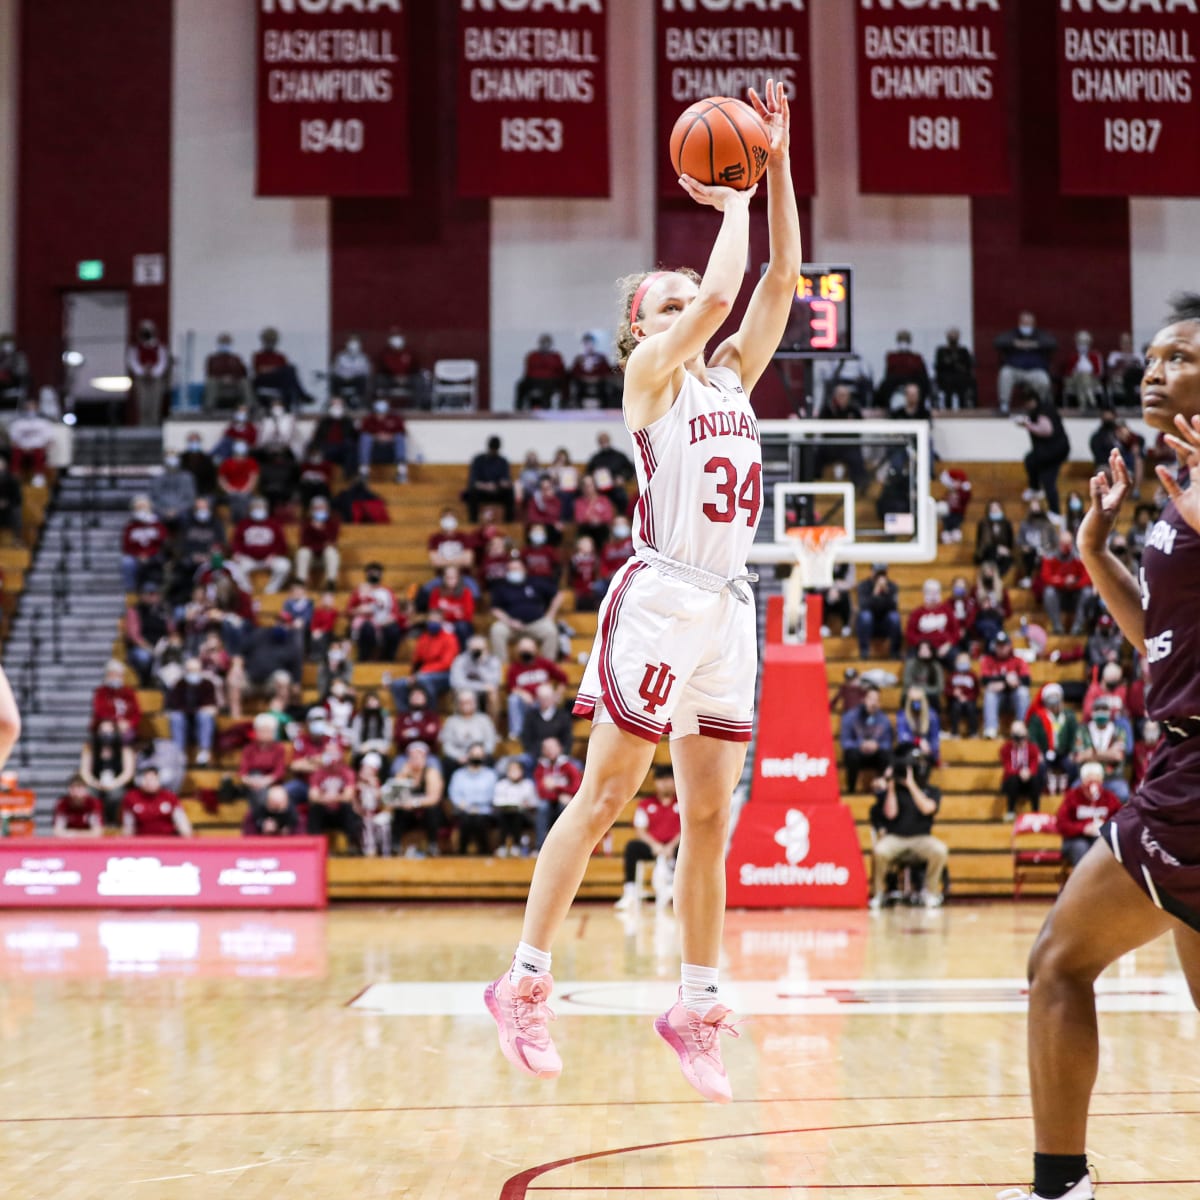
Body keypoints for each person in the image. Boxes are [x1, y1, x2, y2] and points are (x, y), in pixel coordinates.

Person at [486, 79, 802, 1101]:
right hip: (659, 597)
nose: (685, 306)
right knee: (608, 795)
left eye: (680, 295)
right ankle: (525, 982)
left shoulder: (730, 380)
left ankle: (694, 1003)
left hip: (726, 606)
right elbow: (718, 296)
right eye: (659, 303)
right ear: (638, 332)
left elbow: (781, 284)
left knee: (711, 817)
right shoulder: (654, 380)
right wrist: (733, 200)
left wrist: (778, 163)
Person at [1009, 294, 1200, 1200]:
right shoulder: (1181, 487)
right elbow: (1159, 634)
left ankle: (1058, 1190)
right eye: (1151, 359)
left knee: (1059, 961)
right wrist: (1095, 547)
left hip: (1196, 778)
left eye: (1179, 358)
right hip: (1181, 756)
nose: (1154, 371)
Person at [867, 747, 948, 910]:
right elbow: (890, 814)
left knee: (940, 849)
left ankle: (930, 893)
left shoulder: (931, 791)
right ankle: (878, 894)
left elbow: (927, 808)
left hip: (921, 839)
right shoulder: (895, 789)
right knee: (879, 851)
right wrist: (891, 787)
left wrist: (911, 785)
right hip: (896, 838)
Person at [615, 764, 682, 911]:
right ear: (655, 782)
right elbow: (640, 830)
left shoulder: (683, 803)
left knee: (686, 848)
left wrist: (670, 846)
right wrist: (655, 846)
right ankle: (630, 892)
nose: (664, 783)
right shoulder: (646, 804)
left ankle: (680, 891)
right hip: (654, 847)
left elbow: (686, 829)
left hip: (675, 847)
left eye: (668, 779)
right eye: (661, 780)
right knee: (632, 847)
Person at [488, 558, 563, 663]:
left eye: (517, 568)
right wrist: (509, 622)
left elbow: (558, 595)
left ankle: (547, 665)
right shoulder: (501, 587)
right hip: (511, 625)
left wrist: (550, 615)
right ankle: (502, 666)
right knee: (496, 630)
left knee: (551, 630)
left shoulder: (536, 582)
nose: (514, 571)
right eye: (511, 569)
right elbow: (495, 609)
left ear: (524, 569)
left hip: (536, 623)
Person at [1056, 762, 1122, 872]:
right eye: (1089, 781)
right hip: (1074, 839)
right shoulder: (1072, 797)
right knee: (1080, 847)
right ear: (1082, 781)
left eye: (1096, 780)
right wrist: (1083, 828)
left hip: (1100, 837)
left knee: (1102, 846)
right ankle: (1083, 884)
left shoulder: (1110, 798)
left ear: (1101, 781)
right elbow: (1061, 823)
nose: (1092, 785)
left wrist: (1103, 827)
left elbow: (1120, 822)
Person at [1016, 391, 1072, 516]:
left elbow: (1046, 430)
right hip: (1045, 453)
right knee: (1031, 461)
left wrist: (1028, 425)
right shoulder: (1038, 411)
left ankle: (1054, 511)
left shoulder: (1043, 411)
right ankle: (1035, 489)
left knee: (1048, 480)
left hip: (1053, 453)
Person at [389, 740, 445, 856]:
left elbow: (434, 798)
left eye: (418, 757)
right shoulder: (404, 772)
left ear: (425, 758)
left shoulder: (431, 773)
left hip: (425, 813)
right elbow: (394, 798)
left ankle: (432, 844)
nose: (415, 760)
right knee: (399, 810)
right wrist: (402, 775)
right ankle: (395, 844)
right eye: (412, 757)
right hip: (408, 814)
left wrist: (415, 802)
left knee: (432, 810)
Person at [995, 310, 1056, 415]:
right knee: (1005, 373)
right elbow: (998, 341)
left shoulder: (1039, 334)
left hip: (1035, 370)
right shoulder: (1013, 333)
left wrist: (1034, 344)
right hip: (1015, 370)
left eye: (1029, 323)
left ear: (1033, 324)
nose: (1026, 326)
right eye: (1024, 323)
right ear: (1019, 323)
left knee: (1044, 380)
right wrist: (1015, 343)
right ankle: (1004, 405)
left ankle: (1042, 406)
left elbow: (1052, 343)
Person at [1036, 530, 1095, 636]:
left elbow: (1088, 578)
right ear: (1059, 544)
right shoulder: (1050, 557)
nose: (1067, 548)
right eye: (1064, 544)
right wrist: (1063, 581)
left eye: (1069, 544)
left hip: (1075, 594)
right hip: (1059, 595)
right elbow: (1046, 578)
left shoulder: (1079, 557)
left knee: (1088, 592)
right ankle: (1057, 626)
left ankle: (1077, 627)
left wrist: (1075, 583)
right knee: (1049, 592)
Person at [840, 685, 893, 793]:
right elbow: (845, 742)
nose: (873, 703)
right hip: (858, 754)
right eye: (870, 699)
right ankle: (851, 790)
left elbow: (888, 742)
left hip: (875, 755)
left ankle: (883, 790)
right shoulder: (850, 716)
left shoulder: (884, 719)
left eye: (876, 700)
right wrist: (860, 744)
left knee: (887, 755)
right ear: (863, 699)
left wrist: (877, 745)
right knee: (851, 755)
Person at [166, 658, 218, 766]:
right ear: (185, 671)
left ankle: (204, 752)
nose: (193, 673)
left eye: (196, 670)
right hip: (184, 721)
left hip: (200, 721)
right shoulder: (180, 684)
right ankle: (179, 753)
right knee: (176, 717)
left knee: (205, 716)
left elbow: (212, 707)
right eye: (190, 670)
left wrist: (199, 710)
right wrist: (196, 709)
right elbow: (174, 706)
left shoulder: (207, 684)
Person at [346, 563, 403, 663]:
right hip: (365, 623)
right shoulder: (359, 591)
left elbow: (395, 613)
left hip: (384, 623)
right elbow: (349, 611)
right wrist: (359, 611)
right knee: (366, 629)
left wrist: (386, 621)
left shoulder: (387, 591)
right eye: (371, 572)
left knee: (393, 630)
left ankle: (387, 660)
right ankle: (363, 660)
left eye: (377, 572)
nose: (374, 574)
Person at [231, 499, 291, 594]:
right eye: (256, 508)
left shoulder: (274, 524)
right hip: (249, 559)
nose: (258, 510)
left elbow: (282, 544)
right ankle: (247, 593)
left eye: (261, 508)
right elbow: (236, 542)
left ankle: (270, 591)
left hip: (269, 559)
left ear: (266, 509)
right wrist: (237, 553)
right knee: (236, 567)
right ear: (250, 510)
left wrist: (273, 554)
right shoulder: (243, 524)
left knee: (284, 565)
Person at [448, 745, 498, 854]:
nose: (476, 757)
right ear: (468, 756)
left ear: (484, 757)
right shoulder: (458, 774)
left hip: (485, 810)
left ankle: (484, 852)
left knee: (480, 820)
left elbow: (493, 794)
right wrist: (466, 806)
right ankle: (462, 852)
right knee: (466, 819)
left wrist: (477, 807)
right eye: (474, 755)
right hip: (463, 809)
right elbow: (454, 794)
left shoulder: (490, 775)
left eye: (479, 755)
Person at [979, 631, 1030, 738]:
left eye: (1004, 645)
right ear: (994, 646)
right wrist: (1007, 680)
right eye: (998, 645)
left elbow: (1026, 680)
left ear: (1009, 645)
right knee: (990, 693)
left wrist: (1004, 684)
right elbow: (984, 680)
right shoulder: (988, 660)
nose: (1001, 648)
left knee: (1023, 692)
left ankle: (1021, 726)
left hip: (1013, 696)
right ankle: (991, 729)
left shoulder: (1018, 660)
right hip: (998, 697)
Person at [121, 763, 192, 837]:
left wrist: (188, 841)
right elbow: (128, 826)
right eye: (146, 779)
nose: (150, 783)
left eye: (153, 779)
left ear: (159, 780)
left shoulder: (170, 797)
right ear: (139, 780)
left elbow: (182, 822)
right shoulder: (131, 798)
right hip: (142, 842)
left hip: (168, 841)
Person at [904, 580, 961, 666]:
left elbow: (956, 632)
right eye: (930, 592)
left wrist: (947, 645)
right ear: (924, 593)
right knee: (911, 659)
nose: (933, 595)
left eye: (936, 592)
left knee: (956, 657)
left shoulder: (947, 611)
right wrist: (921, 646)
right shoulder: (917, 613)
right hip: (922, 647)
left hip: (943, 646)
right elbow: (910, 634)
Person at [449, 633, 504, 722]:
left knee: (493, 694)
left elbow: (495, 682)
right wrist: (481, 687)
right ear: (468, 649)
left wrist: (480, 665)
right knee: (465, 694)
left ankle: (492, 728)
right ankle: (466, 726)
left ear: (486, 649)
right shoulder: (461, 660)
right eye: (473, 649)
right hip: (468, 690)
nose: (476, 652)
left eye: (479, 649)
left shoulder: (493, 660)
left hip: (484, 694)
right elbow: (456, 682)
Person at [252, 327, 310, 409]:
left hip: (279, 382)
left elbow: (285, 372)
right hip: (264, 381)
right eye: (268, 340)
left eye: (272, 340)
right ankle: (301, 394)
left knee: (289, 379)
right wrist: (277, 370)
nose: (270, 342)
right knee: (290, 370)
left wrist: (274, 370)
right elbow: (260, 371)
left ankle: (289, 406)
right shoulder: (258, 356)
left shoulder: (280, 357)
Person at [120, 495, 169, 593]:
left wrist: (148, 554)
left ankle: (158, 592)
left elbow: (163, 541)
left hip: (154, 555)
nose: (141, 509)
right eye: (138, 507)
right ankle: (131, 591)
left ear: (149, 507)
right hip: (136, 556)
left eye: (143, 507)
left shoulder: (157, 524)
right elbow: (126, 546)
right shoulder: (131, 526)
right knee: (126, 562)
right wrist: (139, 555)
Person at [492, 758, 539, 856]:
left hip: (523, 814)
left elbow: (534, 802)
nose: (514, 773)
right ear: (507, 772)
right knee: (504, 816)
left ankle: (516, 846)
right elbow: (496, 801)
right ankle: (502, 846)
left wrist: (527, 804)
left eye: (516, 770)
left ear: (522, 771)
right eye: (511, 770)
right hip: (505, 814)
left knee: (517, 815)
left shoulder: (528, 784)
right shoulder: (501, 784)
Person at [127, 319, 169, 426]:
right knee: (142, 402)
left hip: (156, 378)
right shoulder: (135, 348)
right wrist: (143, 371)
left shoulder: (160, 347)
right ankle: (143, 425)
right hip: (141, 378)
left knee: (155, 402)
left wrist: (153, 372)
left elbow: (163, 362)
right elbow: (133, 362)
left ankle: (154, 424)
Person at [874, 329, 930, 409]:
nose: (903, 343)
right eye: (901, 340)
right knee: (886, 384)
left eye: (905, 340)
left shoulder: (916, 357)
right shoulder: (892, 356)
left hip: (913, 378)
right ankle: (886, 407)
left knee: (924, 382)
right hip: (896, 379)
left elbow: (920, 370)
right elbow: (889, 371)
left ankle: (920, 408)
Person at [855, 564, 902, 659]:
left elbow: (893, 606)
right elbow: (863, 606)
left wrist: (886, 591)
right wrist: (875, 593)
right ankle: (864, 651)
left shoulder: (892, 586)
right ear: (872, 572)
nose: (880, 576)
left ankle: (895, 652)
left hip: (885, 624)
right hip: (867, 625)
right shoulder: (863, 585)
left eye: (883, 573)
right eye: (878, 573)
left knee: (895, 617)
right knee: (865, 616)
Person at [464, 435, 515, 522]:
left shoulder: (503, 461)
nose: (493, 452)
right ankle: (473, 522)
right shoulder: (478, 460)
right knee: (472, 492)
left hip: (497, 492)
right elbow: (473, 481)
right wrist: (486, 486)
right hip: (482, 492)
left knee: (510, 492)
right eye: (492, 449)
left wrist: (502, 484)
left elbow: (506, 480)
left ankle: (509, 522)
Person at [358, 398, 408, 483]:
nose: (381, 415)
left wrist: (390, 436)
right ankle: (364, 472)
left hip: (390, 444)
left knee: (399, 437)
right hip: (375, 444)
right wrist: (376, 436)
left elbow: (402, 431)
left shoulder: (395, 418)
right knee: (365, 438)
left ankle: (401, 472)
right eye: (378, 413)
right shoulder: (369, 419)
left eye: (383, 413)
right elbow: (363, 431)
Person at [295, 497, 340, 588]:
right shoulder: (306, 524)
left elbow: (331, 542)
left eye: (322, 508)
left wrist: (320, 531)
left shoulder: (332, 524)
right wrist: (314, 529)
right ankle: (301, 581)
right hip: (311, 557)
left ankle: (331, 582)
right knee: (303, 552)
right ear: (312, 510)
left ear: (327, 509)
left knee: (331, 552)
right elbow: (303, 542)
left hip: (324, 558)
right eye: (317, 508)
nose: (320, 510)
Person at [7, 397, 53, 487]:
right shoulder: (18, 422)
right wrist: (22, 447)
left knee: (38, 453)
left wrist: (44, 447)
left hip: (37, 448)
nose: (30, 409)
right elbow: (12, 439)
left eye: (33, 407)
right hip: (21, 448)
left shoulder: (43, 422)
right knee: (16, 453)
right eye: (28, 407)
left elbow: (50, 439)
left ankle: (38, 476)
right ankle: (14, 477)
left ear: (37, 408)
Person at [1001, 720, 1042, 819]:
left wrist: (1028, 772)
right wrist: (1020, 772)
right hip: (1013, 782)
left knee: (1036, 779)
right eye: (1016, 738)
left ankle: (1035, 811)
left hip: (1028, 780)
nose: (1019, 741)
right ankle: (1010, 811)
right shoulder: (1006, 748)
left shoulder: (1033, 748)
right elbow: (1008, 767)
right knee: (1013, 780)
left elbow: (1034, 765)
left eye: (1022, 738)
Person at [515, 334, 567, 410]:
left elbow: (561, 372)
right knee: (520, 385)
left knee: (558, 386)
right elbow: (528, 371)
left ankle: (560, 405)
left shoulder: (556, 356)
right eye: (543, 342)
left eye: (547, 343)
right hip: (534, 381)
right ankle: (519, 408)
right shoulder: (532, 356)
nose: (545, 345)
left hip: (550, 382)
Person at [204, 332, 252, 412]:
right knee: (211, 381)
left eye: (227, 342)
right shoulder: (212, 359)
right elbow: (210, 372)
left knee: (245, 382)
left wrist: (232, 378)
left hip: (234, 384)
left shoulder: (236, 358)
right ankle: (209, 407)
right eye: (223, 342)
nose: (225, 344)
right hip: (219, 384)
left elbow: (243, 373)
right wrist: (223, 378)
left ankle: (250, 406)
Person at [895, 685, 940, 764]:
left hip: (926, 751)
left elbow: (934, 738)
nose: (916, 704)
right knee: (909, 755)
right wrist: (918, 741)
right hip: (908, 749)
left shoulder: (932, 715)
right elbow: (902, 737)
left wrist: (935, 756)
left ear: (923, 701)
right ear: (909, 701)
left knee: (923, 759)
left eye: (918, 700)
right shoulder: (902, 715)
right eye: (913, 701)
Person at [1060, 330, 1104, 410]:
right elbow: (1067, 373)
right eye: (1080, 342)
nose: (1082, 344)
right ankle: (1091, 401)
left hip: (1092, 380)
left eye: (1085, 342)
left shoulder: (1095, 356)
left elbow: (1099, 373)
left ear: (1089, 343)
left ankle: (1083, 404)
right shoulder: (1073, 357)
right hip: (1074, 380)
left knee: (1085, 376)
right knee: (1082, 376)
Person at [934, 326, 976, 410]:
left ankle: (963, 410)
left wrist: (951, 363)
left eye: (955, 336)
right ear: (947, 337)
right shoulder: (941, 350)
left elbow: (968, 366)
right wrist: (954, 364)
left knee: (963, 383)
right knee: (948, 384)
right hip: (945, 377)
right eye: (951, 336)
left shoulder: (963, 350)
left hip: (961, 377)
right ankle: (947, 409)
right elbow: (939, 365)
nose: (953, 338)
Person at [568, 333, 613, 408]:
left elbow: (607, 371)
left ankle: (605, 407)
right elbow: (574, 372)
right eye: (586, 343)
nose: (589, 346)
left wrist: (597, 378)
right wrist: (584, 378)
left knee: (606, 389)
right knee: (577, 388)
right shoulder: (579, 358)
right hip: (582, 383)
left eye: (590, 343)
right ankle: (578, 406)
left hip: (599, 382)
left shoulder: (601, 357)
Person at [944, 651, 980, 738]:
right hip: (955, 700)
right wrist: (953, 693)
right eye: (961, 662)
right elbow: (947, 690)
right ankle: (954, 732)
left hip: (969, 700)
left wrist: (967, 697)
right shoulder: (952, 676)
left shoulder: (972, 675)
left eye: (965, 662)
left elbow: (976, 691)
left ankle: (973, 732)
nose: (963, 664)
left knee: (972, 709)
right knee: (955, 708)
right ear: (956, 663)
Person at [329, 334, 371, 406]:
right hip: (343, 379)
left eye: (355, 342)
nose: (353, 345)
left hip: (356, 380)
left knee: (362, 379)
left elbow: (366, 372)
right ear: (347, 344)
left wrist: (353, 375)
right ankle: (336, 401)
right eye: (351, 341)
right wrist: (344, 376)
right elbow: (335, 370)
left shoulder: (363, 358)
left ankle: (358, 400)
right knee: (334, 379)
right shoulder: (341, 356)